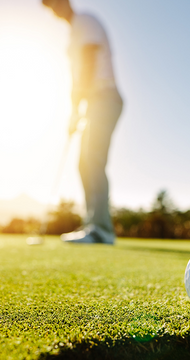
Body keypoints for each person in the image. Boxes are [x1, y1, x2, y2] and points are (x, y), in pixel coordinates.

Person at [42, 0, 123, 244]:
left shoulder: (84, 22)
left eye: (54, 4)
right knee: (85, 163)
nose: (54, 11)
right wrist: (75, 110)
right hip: (93, 101)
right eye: (50, 8)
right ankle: (94, 225)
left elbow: (88, 62)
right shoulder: (74, 32)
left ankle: (101, 230)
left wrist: (78, 107)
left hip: (104, 97)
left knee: (92, 160)